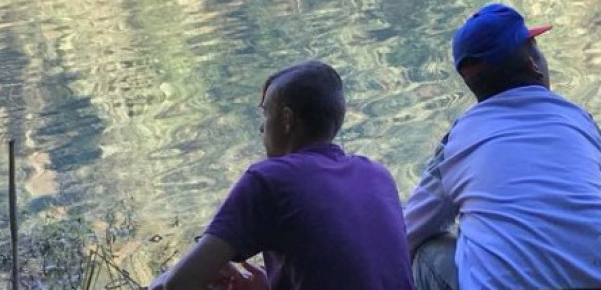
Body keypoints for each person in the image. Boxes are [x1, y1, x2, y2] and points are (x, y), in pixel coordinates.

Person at [404, 3, 601, 290]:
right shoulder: (578, 119)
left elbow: (407, 233)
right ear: (533, 66)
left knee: (428, 252)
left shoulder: (458, 141)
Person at [151, 60, 415, 290]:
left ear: (287, 119)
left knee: (162, 283)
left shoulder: (269, 180)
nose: (261, 127)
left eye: (265, 114)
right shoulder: (378, 175)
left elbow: (179, 284)